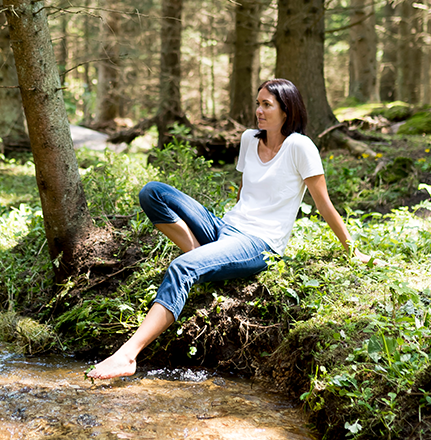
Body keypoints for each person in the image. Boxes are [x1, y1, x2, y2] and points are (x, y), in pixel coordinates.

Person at [86, 78, 372, 380]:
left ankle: (127, 355)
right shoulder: (250, 139)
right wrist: (218, 233)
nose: (258, 111)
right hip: (227, 227)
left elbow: (325, 205)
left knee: (181, 268)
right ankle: (204, 258)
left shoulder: (301, 147)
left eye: (267, 105)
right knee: (152, 192)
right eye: (257, 103)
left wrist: (353, 252)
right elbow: (244, 191)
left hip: (260, 242)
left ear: (287, 110)